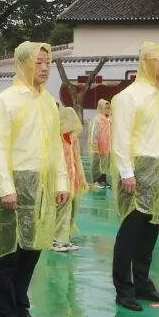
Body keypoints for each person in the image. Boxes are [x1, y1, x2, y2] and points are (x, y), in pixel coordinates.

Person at [0, 42, 69, 317]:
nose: (45, 68)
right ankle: (6, 315)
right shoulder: (4, 102)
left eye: (48, 63)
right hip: (15, 183)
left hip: (41, 182)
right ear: (23, 64)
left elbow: (56, 146)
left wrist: (60, 181)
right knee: (10, 252)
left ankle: (22, 308)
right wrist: (6, 187)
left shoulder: (48, 102)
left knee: (32, 248)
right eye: (39, 62)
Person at [110, 41, 159, 312]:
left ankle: (142, 283)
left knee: (152, 230)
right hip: (139, 169)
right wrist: (127, 172)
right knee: (131, 231)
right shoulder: (129, 96)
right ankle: (124, 288)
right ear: (147, 62)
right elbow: (121, 137)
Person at [52, 106, 89, 253]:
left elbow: (77, 159)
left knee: (71, 209)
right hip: (60, 180)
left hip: (72, 180)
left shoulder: (72, 139)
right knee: (61, 208)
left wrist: (82, 178)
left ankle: (64, 238)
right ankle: (56, 240)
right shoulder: (56, 138)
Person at [88, 99, 112, 188]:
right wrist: (94, 146)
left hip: (107, 147)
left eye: (108, 108)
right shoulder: (97, 120)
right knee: (97, 163)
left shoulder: (109, 120)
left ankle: (103, 180)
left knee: (105, 164)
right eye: (105, 108)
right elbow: (93, 134)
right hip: (98, 147)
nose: (107, 110)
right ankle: (97, 181)